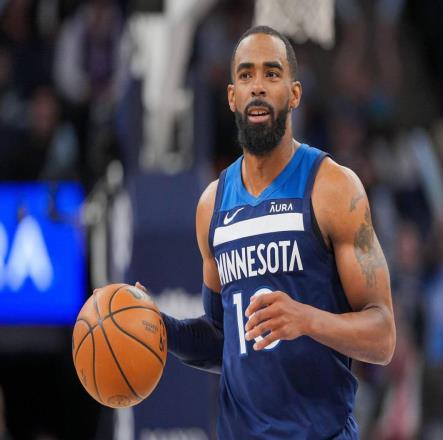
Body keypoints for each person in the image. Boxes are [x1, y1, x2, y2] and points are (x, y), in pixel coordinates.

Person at [137, 25, 396, 439]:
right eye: (246, 75)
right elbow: (222, 338)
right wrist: (161, 328)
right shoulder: (211, 204)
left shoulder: (333, 188)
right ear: (232, 96)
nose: (257, 86)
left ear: (294, 94)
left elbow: (382, 337)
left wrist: (307, 320)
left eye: (271, 73)